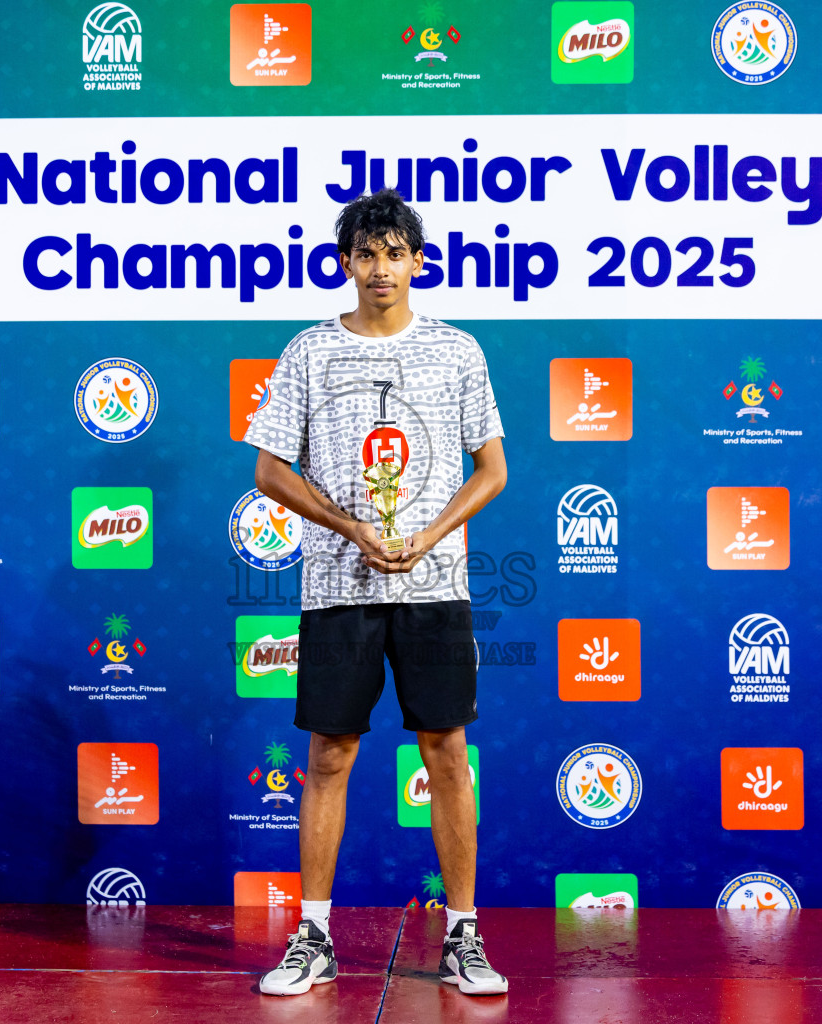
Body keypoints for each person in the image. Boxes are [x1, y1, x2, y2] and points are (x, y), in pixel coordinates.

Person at [243, 189, 509, 997]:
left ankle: (463, 937)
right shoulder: (309, 351)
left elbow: (493, 470)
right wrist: (351, 529)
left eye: (395, 253)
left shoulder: (457, 350)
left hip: (436, 584)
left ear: (418, 262)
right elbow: (268, 470)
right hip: (336, 587)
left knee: (447, 752)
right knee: (329, 755)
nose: (381, 268)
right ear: (346, 263)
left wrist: (430, 535)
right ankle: (313, 936)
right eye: (366, 253)